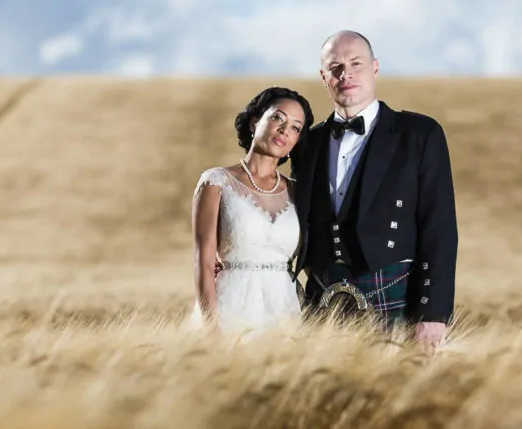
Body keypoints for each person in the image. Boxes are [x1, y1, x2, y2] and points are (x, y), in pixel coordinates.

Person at [289, 30, 459, 349]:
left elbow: (440, 229)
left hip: (395, 296)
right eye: (335, 67)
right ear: (323, 76)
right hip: (323, 302)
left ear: (375, 67)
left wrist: (434, 315)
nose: (346, 74)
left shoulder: (418, 134)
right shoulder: (307, 144)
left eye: (356, 63)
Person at [190, 86, 315, 337]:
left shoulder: (299, 192)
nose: (284, 130)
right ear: (254, 122)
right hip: (231, 307)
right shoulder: (217, 181)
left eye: (295, 127)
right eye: (277, 118)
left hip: (284, 311)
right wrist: (212, 327)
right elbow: (203, 261)